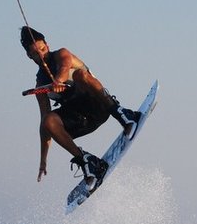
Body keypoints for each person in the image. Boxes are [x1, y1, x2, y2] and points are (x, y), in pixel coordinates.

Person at [20, 26, 140, 191]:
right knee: (48, 120)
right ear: (29, 56)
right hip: (82, 121)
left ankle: (122, 114)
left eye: (42, 49)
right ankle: (87, 161)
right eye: (35, 53)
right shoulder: (40, 85)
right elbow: (45, 126)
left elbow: (64, 67)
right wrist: (43, 159)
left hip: (101, 107)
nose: (41, 55)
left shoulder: (62, 54)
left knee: (79, 75)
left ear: (47, 45)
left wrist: (59, 81)